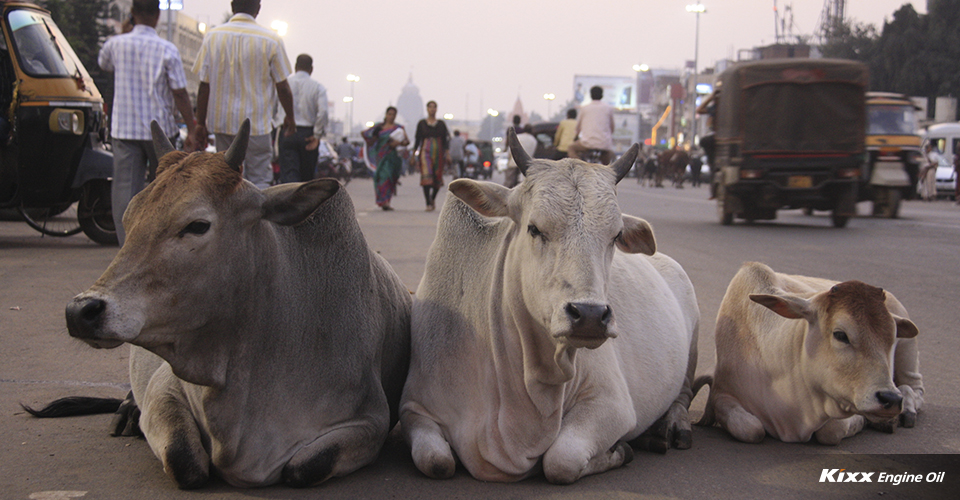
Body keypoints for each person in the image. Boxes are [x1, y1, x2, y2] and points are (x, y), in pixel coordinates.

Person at [98, 0, 196, 246]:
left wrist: (124, 30)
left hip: (124, 128)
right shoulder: (167, 49)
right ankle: (162, 245)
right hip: (160, 133)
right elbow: (180, 93)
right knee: (166, 191)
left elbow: (104, 64)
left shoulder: (115, 45)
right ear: (158, 16)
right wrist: (192, 128)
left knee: (124, 193)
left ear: (132, 15)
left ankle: (127, 247)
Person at [191, 0, 295, 189]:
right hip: (257, 126)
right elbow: (283, 87)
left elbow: (204, 85)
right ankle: (257, 218)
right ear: (258, 9)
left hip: (222, 124)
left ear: (232, 6)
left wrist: (200, 123)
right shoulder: (271, 40)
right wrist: (290, 117)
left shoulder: (213, 37)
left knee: (224, 178)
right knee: (259, 181)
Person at [275, 53, 327, 183]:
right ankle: (303, 202)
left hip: (287, 131)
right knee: (306, 177)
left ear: (295, 66)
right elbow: (323, 111)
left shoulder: (284, 84)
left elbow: (273, 108)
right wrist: (317, 135)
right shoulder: (318, 87)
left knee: (288, 174)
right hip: (307, 134)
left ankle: (289, 201)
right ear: (311, 69)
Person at [362, 107, 408, 210]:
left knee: (392, 178)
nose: (391, 116)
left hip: (394, 157)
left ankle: (387, 200)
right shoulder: (379, 128)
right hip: (381, 156)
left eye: (393, 114)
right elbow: (370, 139)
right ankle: (384, 201)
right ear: (386, 115)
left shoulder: (399, 128)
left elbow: (406, 141)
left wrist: (399, 143)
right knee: (383, 177)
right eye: (389, 114)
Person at [414, 101, 450, 211]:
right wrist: (413, 154)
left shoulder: (441, 124)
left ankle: (432, 197)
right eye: (430, 107)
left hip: (439, 152)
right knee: (426, 175)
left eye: (434, 107)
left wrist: (447, 154)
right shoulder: (422, 124)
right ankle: (428, 202)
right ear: (427, 109)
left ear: (437, 109)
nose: (432, 109)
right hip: (425, 151)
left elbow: (445, 140)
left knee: (437, 177)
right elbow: (417, 140)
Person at [567, 86, 615, 165]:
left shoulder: (584, 108)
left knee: (571, 148)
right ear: (602, 96)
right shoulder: (608, 108)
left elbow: (578, 127)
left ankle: (581, 166)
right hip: (604, 144)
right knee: (607, 161)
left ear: (590, 96)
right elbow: (612, 128)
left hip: (586, 143)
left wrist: (576, 136)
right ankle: (607, 172)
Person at [504, 123, 537, 189]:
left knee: (508, 185)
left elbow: (510, 151)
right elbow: (532, 153)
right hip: (526, 165)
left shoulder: (518, 137)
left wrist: (509, 160)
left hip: (513, 163)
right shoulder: (534, 140)